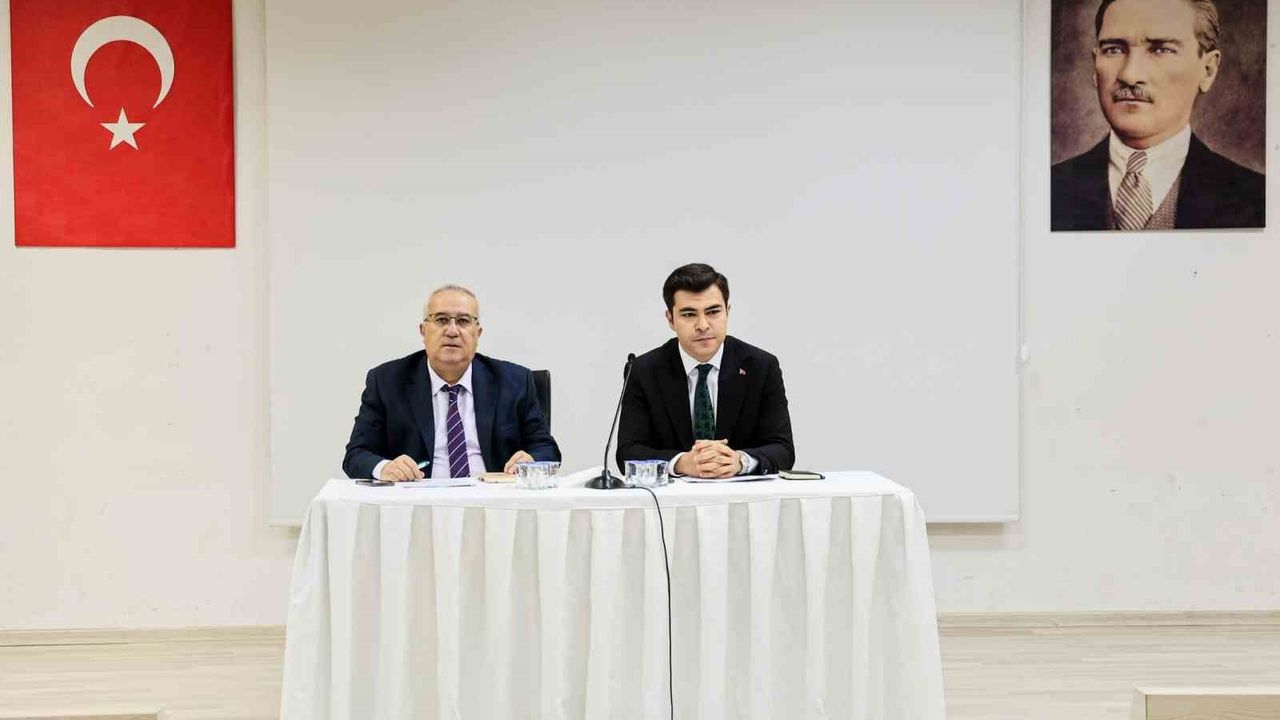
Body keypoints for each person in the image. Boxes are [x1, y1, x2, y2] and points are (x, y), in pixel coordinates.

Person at [1050, 0, 1263, 230]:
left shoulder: (1259, 199)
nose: (1130, 75)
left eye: (1161, 50)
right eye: (1114, 49)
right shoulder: (1047, 188)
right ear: (1095, 66)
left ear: (1208, 70)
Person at [342, 285, 559, 481]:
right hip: (418, 502)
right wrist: (385, 468)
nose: (452, 331)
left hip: (494, 502)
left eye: (463, 321)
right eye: (441, 320)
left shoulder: (515, 381)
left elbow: (546, 449)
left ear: (477, 333)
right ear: (423, 331)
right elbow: (356, 454)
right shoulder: (387, 381)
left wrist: (531, 460)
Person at [617, 263, 795, 479]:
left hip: (743, 495)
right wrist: (682, 463)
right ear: (670, 319)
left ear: (727, 312)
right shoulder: (643, 371)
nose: (702, 325)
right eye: (689, 314)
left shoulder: (761, 367)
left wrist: (739, 461)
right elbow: (628, 452)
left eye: (713, 312)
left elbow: (783, 449)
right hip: (671, 498)